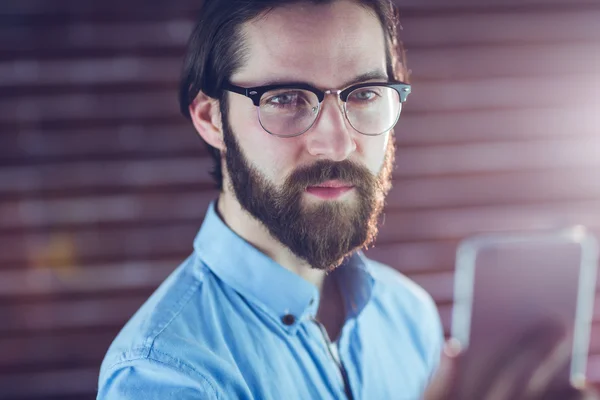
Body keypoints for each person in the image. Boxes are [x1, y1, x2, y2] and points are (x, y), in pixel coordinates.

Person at [96, 0, 596, 399]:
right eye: (286, 99)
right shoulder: (163, 374)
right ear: (211, 119)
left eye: (363, 93)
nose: (336, 143)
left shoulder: (409, 315)